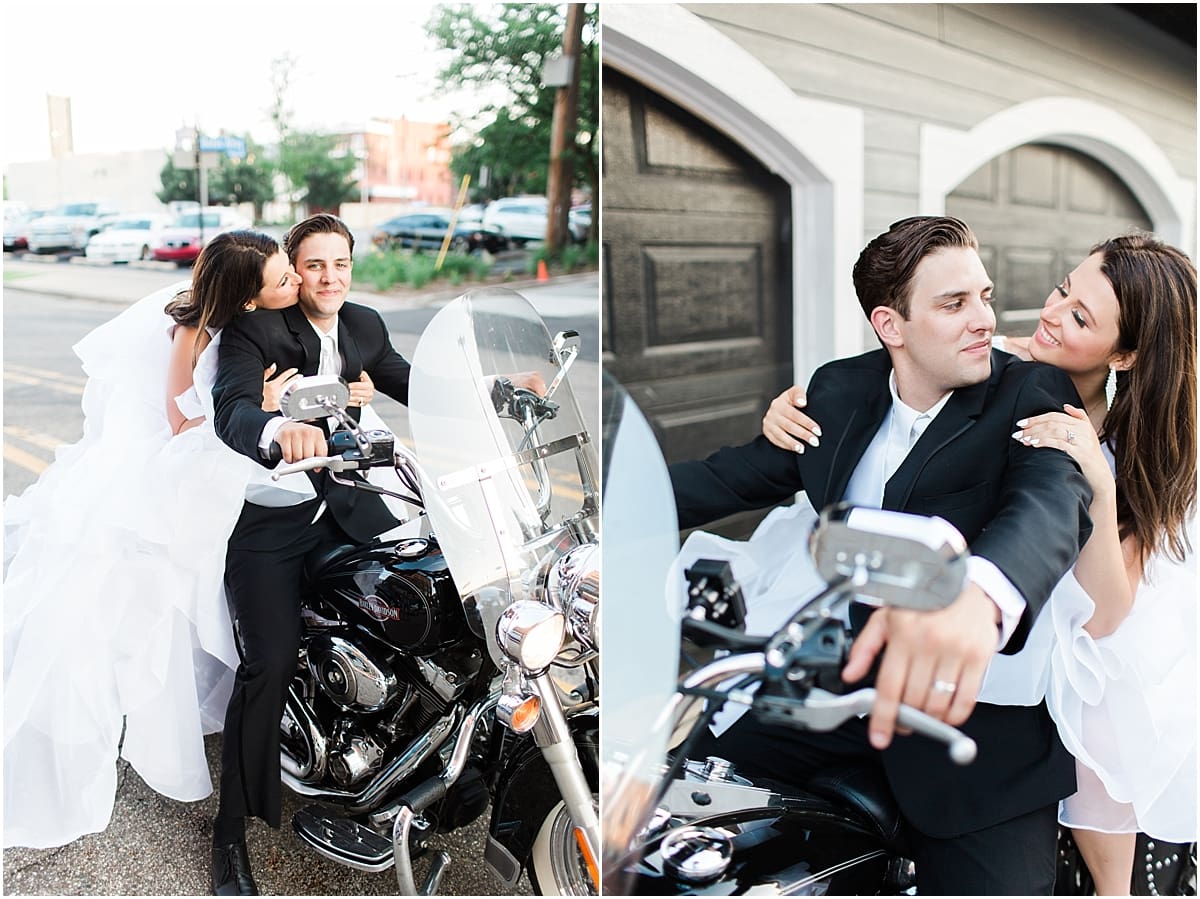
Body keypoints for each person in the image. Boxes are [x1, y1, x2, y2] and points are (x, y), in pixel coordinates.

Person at [669, 216, 1094, 895]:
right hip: (839, 689)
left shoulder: (1028, 391)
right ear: (890, 325)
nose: (983, 317)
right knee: (678, 818)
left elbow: (1049, 501)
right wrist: (612, 506)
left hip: (977, 734)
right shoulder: (839, 391)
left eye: (984, 296)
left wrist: (979, 593)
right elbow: (727, 478)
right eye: (954, 304)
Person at [764, 233, 1197, 893]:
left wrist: (1099, 481)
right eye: (1062, 290)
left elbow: (1107, 614)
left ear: (1127, 352)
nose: (1051, 313)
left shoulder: (1134, 448)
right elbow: (893, 380)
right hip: (991, 634)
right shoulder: (1003, 365)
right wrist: (794, 408)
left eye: (1080, 317)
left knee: (1101, 745)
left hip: (1085, 642)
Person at [2, 229, 352, 851]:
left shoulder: (268, 323)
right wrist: (265, 402)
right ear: (248, 299)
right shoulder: (193, 331)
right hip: (184, 457)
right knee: (150, 593)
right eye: (285, 278)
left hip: (244, 456)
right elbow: (179, 419)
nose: (298, 282)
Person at [208, 213, 413, 896]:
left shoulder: (363, 326)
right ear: (295, 271)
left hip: (342, 500)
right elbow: (233, 408)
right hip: (270, 517)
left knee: (423, 588)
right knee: (267, 659)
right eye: (315, 266)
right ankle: (229, 831)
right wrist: (276, 428)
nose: (329, 278)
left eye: (341, 264)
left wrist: (503, 392)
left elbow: (415, 381)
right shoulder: (257, 329)